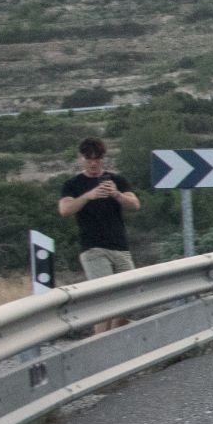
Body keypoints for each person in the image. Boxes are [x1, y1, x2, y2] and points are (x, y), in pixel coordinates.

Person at [56, 137, 140, 332]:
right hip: (93, 248)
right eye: (89, 158)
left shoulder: (117, 180)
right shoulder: (73, 184)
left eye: (97, 158)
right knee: (105, 300)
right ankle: (101, 344)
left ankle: (116, 340)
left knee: (129, 298)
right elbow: (65, 210)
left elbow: (135, 205)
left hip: (120, 247)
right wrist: (88, 196)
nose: (93, 163)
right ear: (81, 159)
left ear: (103, 159)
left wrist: (116, 194)